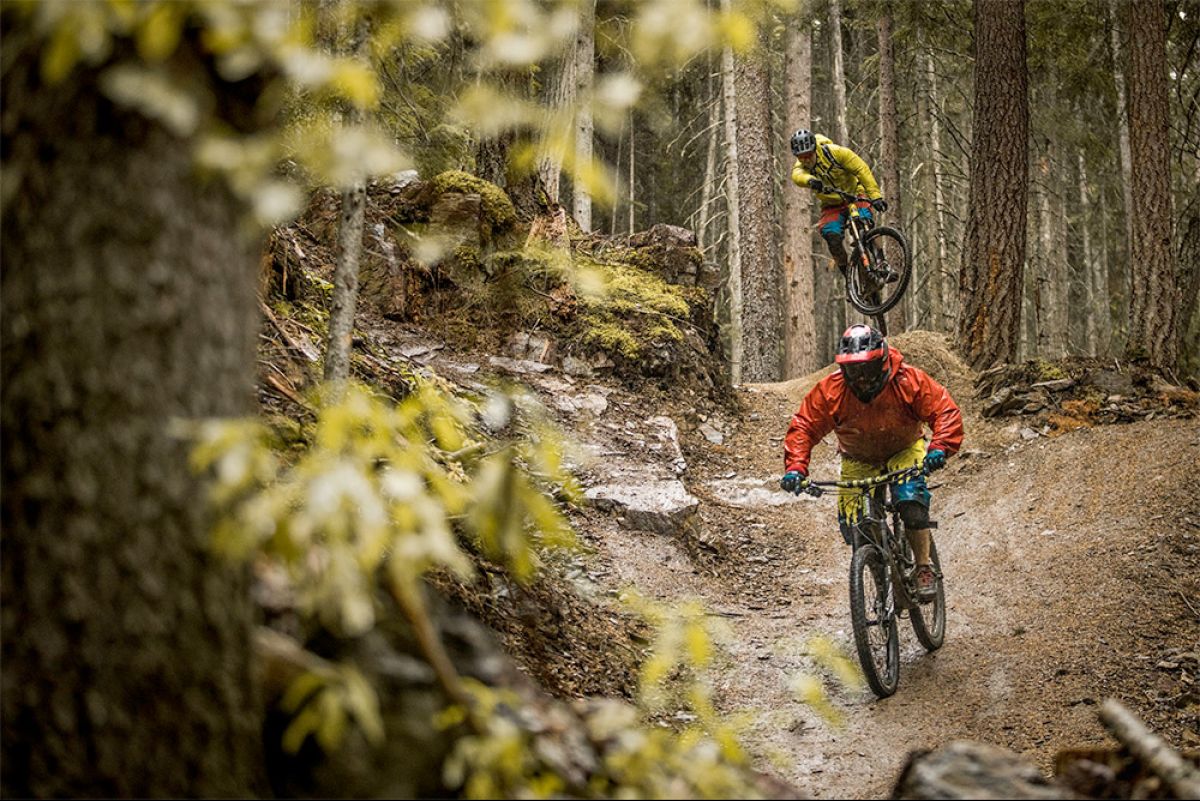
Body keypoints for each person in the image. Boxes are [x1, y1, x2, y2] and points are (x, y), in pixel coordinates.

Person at [779, 325, 963, 599]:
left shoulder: (907, 380)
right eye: (854, 371)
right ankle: (878, 575)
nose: (862, 378)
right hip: (858, 457)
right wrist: (795, 467)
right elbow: (804, 426)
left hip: (904, 449)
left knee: (911, 502)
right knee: (855, 525)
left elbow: (943, 410)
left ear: (883, 362)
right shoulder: (831, 390)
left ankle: (923, 566)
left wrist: (940, 448)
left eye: (867, 369)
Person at [789, 128, 893, 281]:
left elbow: (861, 169)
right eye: (801, 157)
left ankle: (881, 262)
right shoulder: (801, 165)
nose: (806, 160)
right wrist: (810, 180)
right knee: (832, 236)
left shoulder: (836, 152)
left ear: (815, 149)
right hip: (831, 204)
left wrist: (876, 196)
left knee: (865, 222)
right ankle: (849, 277)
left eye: (808, 155)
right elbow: (797, 175)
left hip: (854, 194)